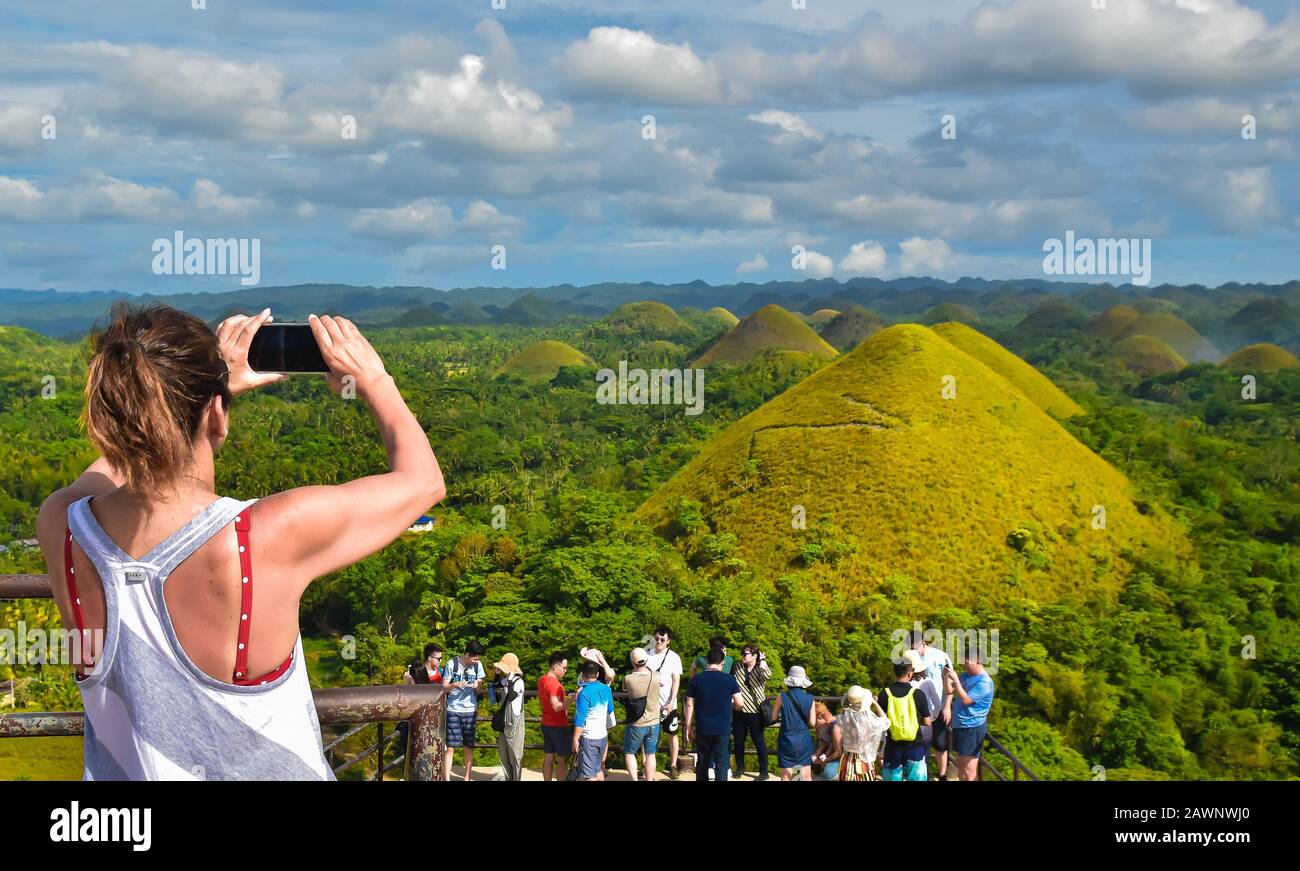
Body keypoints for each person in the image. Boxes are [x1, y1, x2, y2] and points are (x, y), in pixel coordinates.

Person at [36, 305, 445, 780]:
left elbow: (116, 462)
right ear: (216, 415)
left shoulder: (64, 527)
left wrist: (198, 397)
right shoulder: (267, 535)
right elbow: (424, 481)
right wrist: (374, 378)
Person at [684, 646, 742, 782]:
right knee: (721, 764)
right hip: (723, 728)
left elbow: (689, 704)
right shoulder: (729, 679)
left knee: (702, 762)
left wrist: (688, 726)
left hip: (703, 727)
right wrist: (729, 705)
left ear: (707, 661)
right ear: (722, 662)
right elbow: (740, 702)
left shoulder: (696, 679)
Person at [879, 659, 933, 782]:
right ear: (910, 673)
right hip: (915, 745)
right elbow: (927, 722)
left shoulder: (884, 693)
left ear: (895, 672)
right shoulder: (918, 694)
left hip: (893, 746)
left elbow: (880, 720)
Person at [910, 630, 953, 780]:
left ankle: (942, 774)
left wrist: (947, 706)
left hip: (938, 707)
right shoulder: (910, 658)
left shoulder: (941, 657)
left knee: (940, 744)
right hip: (917, 710)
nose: (913, 650)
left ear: (923, 643)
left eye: (914, 647)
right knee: (919, 743)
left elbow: (950, 682)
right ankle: (923, 775)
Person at [946, 652, 995, 781]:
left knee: (969, 770)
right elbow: (950, 691)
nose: (964, 665)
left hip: (972, 728)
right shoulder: (966, 676)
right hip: (960, 725)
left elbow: (966, 700)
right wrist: (946, 677)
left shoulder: (984, 682)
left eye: (967, 662)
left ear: (978, 661)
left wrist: (956, 680)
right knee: (961, 766)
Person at [442, 641, 486, 781]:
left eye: (478, 659)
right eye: (474, 659)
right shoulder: (452, 664)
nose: (476, 661)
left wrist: (477, 686)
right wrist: (454, 685)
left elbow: (480, 691)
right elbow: (443, 688)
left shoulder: (478, 666)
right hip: (453, 709)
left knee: (469, 745)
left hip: (470, 710)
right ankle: (447, 778)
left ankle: (467, 777)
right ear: (467, 655)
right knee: (450, 747)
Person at [644, 626, 684, 779]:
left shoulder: (674, 657)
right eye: (657, 638)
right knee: (647, 735)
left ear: (668, 641)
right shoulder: (647, 655)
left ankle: (673, 764)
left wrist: (671, 701)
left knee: (672, 734)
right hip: (650, 703)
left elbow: (676, 681)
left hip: (669, 703)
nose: (658, 641)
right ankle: (646, 765)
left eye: (662, 639)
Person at [732, 643, 772, 780]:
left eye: (746, 654)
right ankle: (740, 768)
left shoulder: (760, 668)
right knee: (738, 741)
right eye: (742, 653)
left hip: (756, 711)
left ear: (754, 655)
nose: (743, 656)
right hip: (739, 710)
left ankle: (764, 771)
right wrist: (733, 700)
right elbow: (732, 684)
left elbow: (767, 676)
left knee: (758, 741)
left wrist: (763, 661)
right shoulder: (737, 667)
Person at [622, 647, 661, 781]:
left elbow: (626, 689)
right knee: (651, 754)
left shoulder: (629, 679)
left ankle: (634, 779)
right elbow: (655, 676)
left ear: (632, 663)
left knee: (629, 752)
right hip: (654, 722)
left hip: (637, 723)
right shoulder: (656, 676)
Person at [572, 661, 614, 781]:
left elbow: (580, 719)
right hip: (602, 736)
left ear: (582, 675)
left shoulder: (584, 693)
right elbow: (610, 709)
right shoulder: (606, 689)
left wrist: (575, 739)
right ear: (597, 674)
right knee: (598, 769)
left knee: (589, 775)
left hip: (589, 738)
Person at [397, 642, 444, 752]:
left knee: (409, 752)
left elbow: (400, 704)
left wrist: (405, 683)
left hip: (422, 723)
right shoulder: (433, 685)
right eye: (439, 658)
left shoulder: (440, 672)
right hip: (432, 723)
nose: (440, 661)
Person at [772, 666, 816, 781]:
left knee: (786, 775)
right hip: (803, 740)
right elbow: (812, 723)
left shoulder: (781, 697)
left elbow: (773, 717)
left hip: (786, 738)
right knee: (806, 775)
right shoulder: (810, 699)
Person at [836, 685, 889, 781]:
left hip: (847, 757)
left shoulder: (844, 718)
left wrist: (847, 705)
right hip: (865, 758)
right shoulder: (870, 720)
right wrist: (875, 703)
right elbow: (886, 722)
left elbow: (841, 713)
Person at [491, 652, 525, 782]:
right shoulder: (507, 680)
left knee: (515, 757)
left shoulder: (519, 682)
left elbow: (511, 696)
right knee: (504, 756)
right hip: (505, 724)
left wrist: (510, 679)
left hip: (515, 724)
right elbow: (496, 685)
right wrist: (497, 674)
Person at [538, 653, 571, 782]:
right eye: (564, 667)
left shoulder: (542, 679)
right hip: (557, 725)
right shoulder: (554, 684)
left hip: (546, 722)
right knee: (561, 759)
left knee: (549, 756)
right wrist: (572, 700)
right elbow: (556, 706)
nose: (565, 670)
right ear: (556, 666)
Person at [811, 702, 843, 780]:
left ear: (820, 716)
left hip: (839, 753)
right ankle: (816, 769)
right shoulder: (820, 725)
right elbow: (821, 741)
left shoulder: (836, 726)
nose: (812, 723)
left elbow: (838, 752)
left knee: (828, 774)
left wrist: (822, 761)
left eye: (814, 720)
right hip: (827, 748)